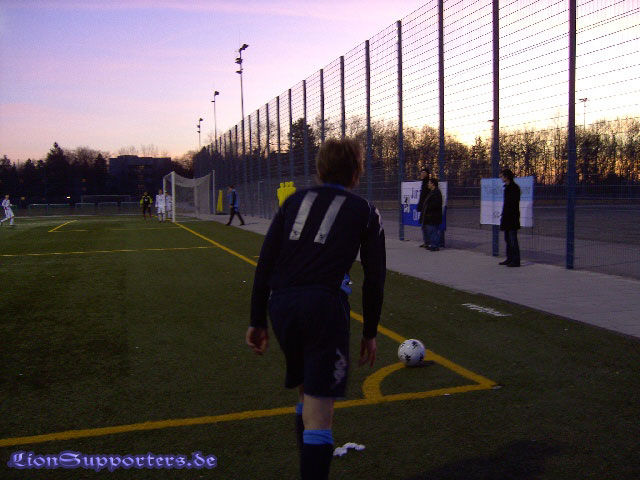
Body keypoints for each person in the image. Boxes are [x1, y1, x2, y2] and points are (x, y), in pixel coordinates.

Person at [246, 138, 386, 480]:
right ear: (356, 172)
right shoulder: (366, 210)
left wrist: (257, 321)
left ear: (319, 170)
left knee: (307, 392)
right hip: (323, 307)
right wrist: (369, 332)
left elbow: (265, 264)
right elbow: (374, 278)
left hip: (282, 306)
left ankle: (308, 464)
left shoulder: (293, 201)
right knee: (321, 415)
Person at [499, 169, 521, 267]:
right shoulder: (507, 188)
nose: (501, 178)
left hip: (512, 217)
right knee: (507, 239)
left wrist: (507, 214)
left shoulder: (514, 188)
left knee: (513, 240)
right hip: (507, 217)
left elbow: (512, 204)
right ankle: (509, 258)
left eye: (502, 176)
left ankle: (516, 260)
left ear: (506, 176)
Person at [420, 178, 443, 251]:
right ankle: (432, 244)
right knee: (430, 230)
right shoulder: (431, 192)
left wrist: (428, 208)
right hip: (429, 215)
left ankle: (435, 245)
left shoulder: (436, 193)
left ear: (433, 184)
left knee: (433, 231)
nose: (428, 184)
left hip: (433, 216)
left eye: (429, 183)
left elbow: (435, 204)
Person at [416, 168, 430, 248]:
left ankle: (428, 242)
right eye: (421, 172)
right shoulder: (423, 183)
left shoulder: (428, 183)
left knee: (426, 226)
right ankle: (426, 242)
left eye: (423, 172)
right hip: (423, 207)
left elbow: (426, 196)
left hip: (427, 208)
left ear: (427, 174)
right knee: (424, 226)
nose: (422, 174)